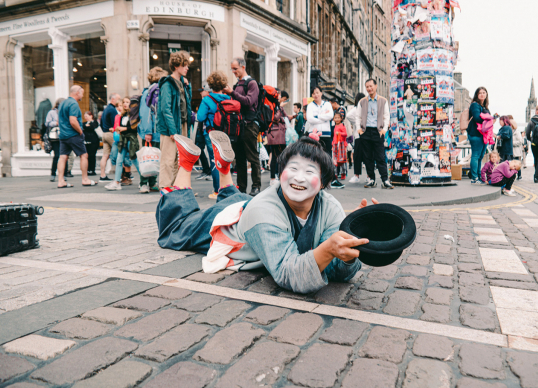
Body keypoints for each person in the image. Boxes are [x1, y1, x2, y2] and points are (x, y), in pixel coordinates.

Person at [156, 131, 379, 294]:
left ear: (323, 183)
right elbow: (288, 272)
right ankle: (186, 162)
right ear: (280, 174)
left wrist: (352, 236)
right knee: (176, 228)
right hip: (230, 222)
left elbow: (336, 269)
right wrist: (329, 248)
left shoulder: (331, 207)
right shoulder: (263, 212)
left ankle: (224, 169)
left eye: (309, 171)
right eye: (292, 169)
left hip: (247, 203)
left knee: (241, 200)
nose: (298, 178)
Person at [223, 57, 261, 196]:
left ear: (243, 67)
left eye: (235, 69)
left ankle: (256, 186)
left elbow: (249, 102)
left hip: (250, 125)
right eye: (232, 69)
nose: (233, 71)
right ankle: (241, 188)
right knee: (239, 158)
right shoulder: (237, 85)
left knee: (252, 156)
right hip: (238, 125)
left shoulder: (252, 83)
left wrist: (232, 93)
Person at [157, 51, 192, 188]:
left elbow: (185, 105)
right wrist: (172, 130)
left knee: (180, 159)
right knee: (168, 158)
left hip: (181, 123)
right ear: (176, 65)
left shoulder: (182, 83)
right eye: (184, 65)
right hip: (170, 126)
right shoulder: (167, 84)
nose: (187, 68)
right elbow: (165, 109)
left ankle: (178, 187)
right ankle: (165, 188)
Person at [197, 71, 231, 199]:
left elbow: (200, 117)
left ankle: (217, 190)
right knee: (225, 160)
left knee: (214, 161)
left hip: (211, 133)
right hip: (226, 133)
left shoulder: (207, 99)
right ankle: (227, 187)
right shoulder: (228, 98)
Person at [355, 79, 394, 189]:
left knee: (380, 156)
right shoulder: (362, 101)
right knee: (368, 157)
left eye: (371, 86)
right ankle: (371, 179)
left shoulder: (383, 100)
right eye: (367, 87)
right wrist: (359, 129)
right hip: (366, 132)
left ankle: (385, 180)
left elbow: (386, 116)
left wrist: (384, 130)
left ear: (376, 86)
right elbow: (357, 116)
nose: (369, 88)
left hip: (378, 132)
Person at [57, 86, 95, 188]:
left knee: (63, 157)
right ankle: (85, 179)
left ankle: (61, 181)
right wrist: (80, 131)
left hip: (63, 135)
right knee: (84, 155)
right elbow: (73, 121)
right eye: (82, 93)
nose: (82, 95)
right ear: (77, 93)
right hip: (73, 135)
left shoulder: (62, 103)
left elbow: (58, 121)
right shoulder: (73, 104)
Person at [138, 67, 166, 193]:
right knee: (148, 157)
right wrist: (148, 131)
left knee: (154, 157)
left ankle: (152, 182)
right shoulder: (150, 92)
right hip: (152, 130)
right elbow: (146, 112)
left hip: (157, 130)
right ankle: (144, 183)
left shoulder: (154, 91)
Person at [106, 97, 142, 191]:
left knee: (134, 160)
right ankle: (117, 182)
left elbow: (135, 127)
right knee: (119, 160)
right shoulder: (122, 115)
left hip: (131, 139)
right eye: (124, 102)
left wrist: (124, 129)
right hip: (123, 140)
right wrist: (117, 129)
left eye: (127, 102)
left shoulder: (133, 114)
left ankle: (144, 180)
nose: (125, 104)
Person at [467, 87, 491, 184]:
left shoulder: (484, 107)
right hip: (475, 134)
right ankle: (474, 178)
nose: (482, 94)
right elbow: (477, 118)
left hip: (483, 135)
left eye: (484, 92)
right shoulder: (474, 105)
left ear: (486, 95)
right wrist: (488, 119)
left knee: (480, 156)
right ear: (476, 95)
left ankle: (478, 176)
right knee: (476, 155)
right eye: (480, 93)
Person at [99, 93, 121, 181]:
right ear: (113, 100)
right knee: (120, 152)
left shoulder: (106, 109)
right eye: (118, 99)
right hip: (111, 134)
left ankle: (102, 175)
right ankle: (124, 175)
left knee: (105, 155)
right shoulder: (112, 110)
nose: (120, 101)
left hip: (104, 134)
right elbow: (115, 124)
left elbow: (100, 123)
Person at [306, 86, 334, 154]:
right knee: (313, 155)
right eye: (313, 93)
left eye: (317, 93)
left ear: (321, 93)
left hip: (326, 134)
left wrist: (317, 116)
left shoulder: (327, 104)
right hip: (313, 134)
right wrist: (324, 119)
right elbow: (309, 119)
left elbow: (330, 115)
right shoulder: (310, 105)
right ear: (312, 95)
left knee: (327, 155)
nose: (316, 95)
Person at [268, 99, 288, 185]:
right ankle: (273, 178)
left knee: (281, 156)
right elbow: (275, 118)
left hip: (281, 134)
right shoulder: (271, 106)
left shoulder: (278, 107)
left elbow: (286, 117)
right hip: (275, 135)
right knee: (275, 157)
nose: (280, 98)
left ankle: (280, 176)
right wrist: (280, 108)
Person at [348, 93, 366, 183]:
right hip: (362, 136)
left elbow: (349, 116)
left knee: (362, 156)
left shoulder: (362, 109)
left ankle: (360, 175)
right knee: (362, 156)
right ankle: (363, 176)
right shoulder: (358, 109)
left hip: (362, 136)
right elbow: (349, 115)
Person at [45, 99, 63, 182]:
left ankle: (64, 174)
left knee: (64, 156)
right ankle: (53, 174)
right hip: (55, 136)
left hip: (64, 135)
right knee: (57, 155)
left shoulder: (65, 112)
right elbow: (47, 123)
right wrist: (55, 123)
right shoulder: (51, 112)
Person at [83, 111, 99, 176]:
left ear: (91, 116)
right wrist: (87, 126)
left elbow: (92, 127)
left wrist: (87, 127)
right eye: (85, 117)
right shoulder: (84, 123)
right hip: (86, 141)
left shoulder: (95, 122)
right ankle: (87, 169)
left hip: (93, 141)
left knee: (92, 155)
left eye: (87, 116)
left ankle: (92, 170)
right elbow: (83, 127)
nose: (86, 118)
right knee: (87, 156)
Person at [332, 112, 348, 180]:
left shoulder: (342, 125)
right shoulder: (334, 126)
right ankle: (335, 173)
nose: (337, 119)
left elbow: (345, 134)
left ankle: (343, 173)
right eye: (336, 118)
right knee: (335, 160)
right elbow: (334, 136)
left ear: (341, 118)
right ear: (333, 119)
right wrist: (332, 144)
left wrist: (340, 133)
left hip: (341, 144)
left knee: (342, 160)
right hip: (335, 144)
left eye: (338, 118)